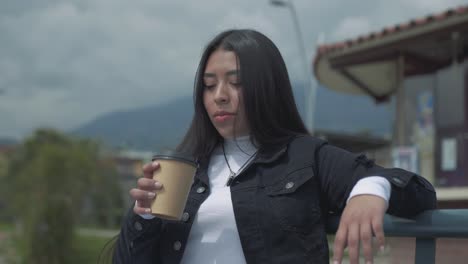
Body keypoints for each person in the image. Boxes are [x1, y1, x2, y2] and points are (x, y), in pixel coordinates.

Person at [112, 29, 436, 264]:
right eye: (209, 86)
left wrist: (370, 191)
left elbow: (419, 191)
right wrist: (145, 216)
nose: (219, 95)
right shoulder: (186, 168)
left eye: (235, 82)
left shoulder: (303, 155)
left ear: (266, 87)